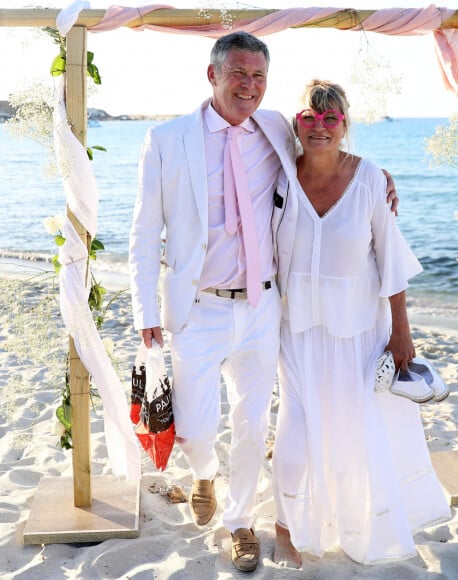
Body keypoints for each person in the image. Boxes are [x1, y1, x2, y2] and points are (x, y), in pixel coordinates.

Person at [129, 33, 398, 573]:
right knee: (197, 427)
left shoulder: (276, 127)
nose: (249, 86)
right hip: (196, 308)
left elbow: (325, 152)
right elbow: (143, 232)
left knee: (253, 423)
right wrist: (145, 311)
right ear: (213, 75)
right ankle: (204, 471)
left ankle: (239, 522)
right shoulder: (165, 139)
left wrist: (380, 176)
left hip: (261, 307)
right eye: (238, 74)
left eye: (258, 77)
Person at [271, 80, 451, 568]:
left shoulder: (371, 179)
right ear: (296, 123)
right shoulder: (280, 173)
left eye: (331, 118)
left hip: (359, 330)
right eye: (310, 116)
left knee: (355, 431)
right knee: (295, 429)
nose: (320, 126)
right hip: (297, 329)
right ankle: (284, 527)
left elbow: (390, 260)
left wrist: (402, 331)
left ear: (345, 125)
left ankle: (352, 524)